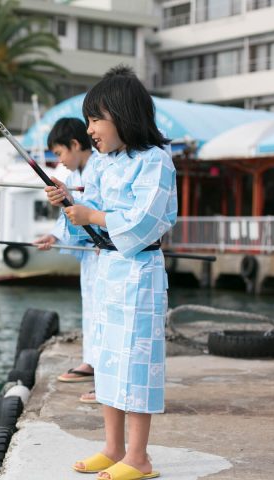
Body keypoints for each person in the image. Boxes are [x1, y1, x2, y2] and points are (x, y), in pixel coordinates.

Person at [45, 65, 177, 479]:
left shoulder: (156, 161)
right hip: (108, 274)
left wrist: (93, 214)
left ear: (124, 115)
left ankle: (139, 457)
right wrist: (69, 206)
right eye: (87, 121)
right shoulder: (101, 164)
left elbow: (146, 221)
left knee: (136, 363)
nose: (90, 130)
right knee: (107, 358)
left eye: (96, 119)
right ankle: (113, 447)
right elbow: (86, 231)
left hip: (139, 275)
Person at [33, 117, 99, 402]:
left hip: (108, 252)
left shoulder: (101, 168)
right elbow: (70, 217)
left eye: (60, 154)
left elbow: (96, 210)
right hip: (92, 258)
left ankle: (107, 376)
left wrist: (70, 199)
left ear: (74, 145)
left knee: (109, 315)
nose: (60, 161)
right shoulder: (73, 178)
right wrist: (55, 237)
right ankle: (92, 361)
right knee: (92, 309)